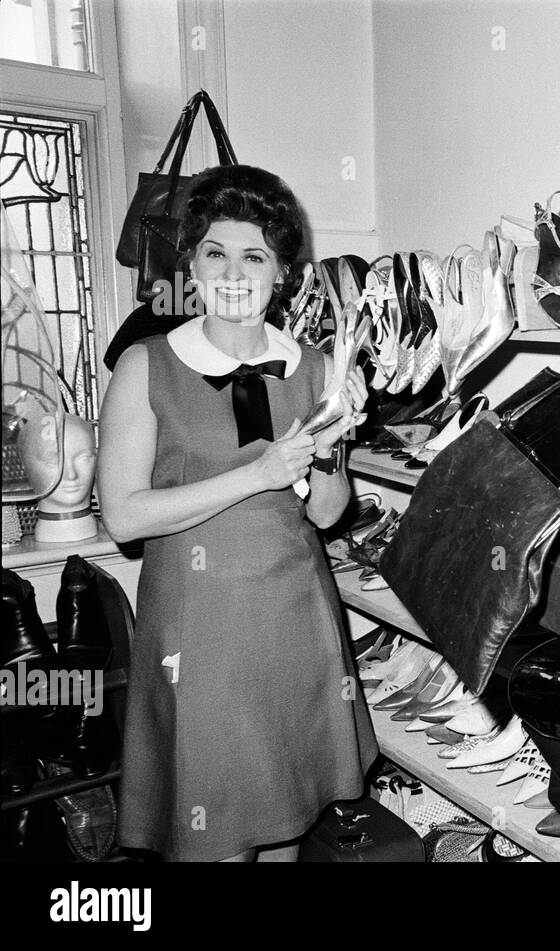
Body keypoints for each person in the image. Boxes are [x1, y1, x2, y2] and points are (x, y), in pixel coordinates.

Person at [97, 164, 378, 862]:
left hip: (295, 624)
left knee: (287, 827)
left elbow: (328, 513)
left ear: (280, 273)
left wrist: (328, 451)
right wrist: (255, 473)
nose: (232, 271)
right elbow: (124, 517)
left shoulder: (315, 367)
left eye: (254, 255)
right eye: (215, 251)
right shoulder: (147, 364)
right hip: (199, 634)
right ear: (190, 264)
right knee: (216, 839)